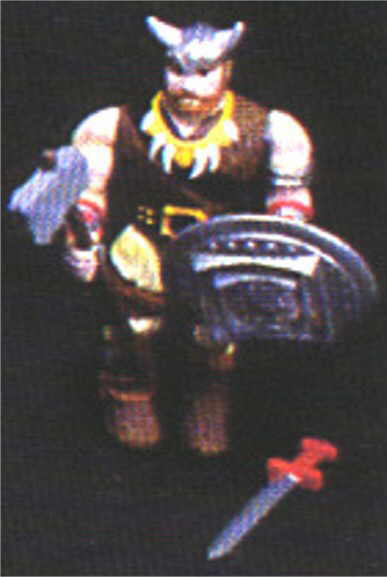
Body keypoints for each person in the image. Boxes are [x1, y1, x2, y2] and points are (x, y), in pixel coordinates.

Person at [63, 16, 314, 456]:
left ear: (227, 70)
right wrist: (82, 240)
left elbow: (289, 194)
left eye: (203, 72)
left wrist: (283, 241)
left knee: (216, 328)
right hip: (144, 242)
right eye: (177, 70)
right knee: (133, 321)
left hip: (219, 246)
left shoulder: (272, 129)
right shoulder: (113, 123)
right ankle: (129, 393)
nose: (188, 84)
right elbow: (87, 191)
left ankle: (209, 393)